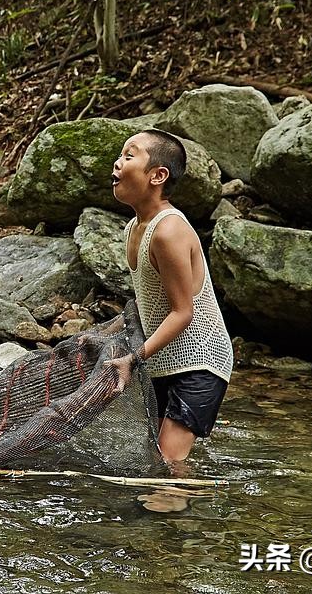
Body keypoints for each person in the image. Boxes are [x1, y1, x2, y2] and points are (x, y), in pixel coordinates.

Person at [104, 129, 233, 462]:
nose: (117, 163)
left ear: (157, 175)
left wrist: (132, 359)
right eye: (119, 155)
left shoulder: (168, 230)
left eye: (129, 156)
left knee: (169, 465)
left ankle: (188, 507)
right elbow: (149, 302)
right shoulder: (133, 228)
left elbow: (182, 312)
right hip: (163, 362)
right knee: (155, 460)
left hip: (201, 361)